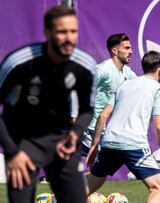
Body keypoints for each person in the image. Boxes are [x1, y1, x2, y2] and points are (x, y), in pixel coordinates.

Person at [0, 5, 96, 203]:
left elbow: (87, 109)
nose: (69, 38)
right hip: (23, 144)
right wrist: (12, 152)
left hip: (62, 142)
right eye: (62, 32)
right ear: (47, 32)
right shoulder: (19, 62)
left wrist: (74, 134)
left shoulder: (84, 66)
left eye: (73, 31)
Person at [87, 51, 160, 203]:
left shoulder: (125, 85)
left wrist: (94, 146)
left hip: (109, 142)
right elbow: (159, 126)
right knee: (158, 188)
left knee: (90, 185)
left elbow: (103, 116)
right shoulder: (158, 89)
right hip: (134, 144)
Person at [81, 33, 136, 162]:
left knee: (100, 168)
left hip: (106, 129)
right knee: (99, 166)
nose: (131, 52)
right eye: (127, 48)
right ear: (115, 51)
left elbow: (141, 87)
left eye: (130, 48)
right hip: (91, 128)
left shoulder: (127, 72)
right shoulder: (103, 70)